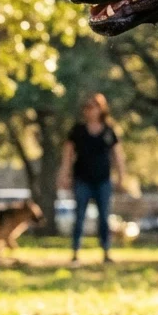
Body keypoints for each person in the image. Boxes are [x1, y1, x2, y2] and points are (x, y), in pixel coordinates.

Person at [58, 93, 125, 264]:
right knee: (79, 216)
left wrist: (122, 176)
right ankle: (75, 251)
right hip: (82, 180)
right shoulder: (77, 131)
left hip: (103, 180)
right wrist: (64, 175)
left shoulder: (109, 131)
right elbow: (68, 155)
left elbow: (117, 155)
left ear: (101, 109)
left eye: (93, 106)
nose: (90, 110)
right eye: (87, 107)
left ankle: (106, 251)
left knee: (104, 217)